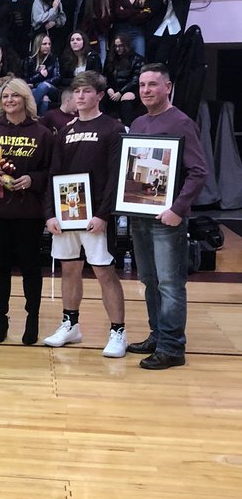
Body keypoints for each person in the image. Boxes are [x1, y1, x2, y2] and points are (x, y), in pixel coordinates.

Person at [128, 64, 208, 369]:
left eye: (152, 85)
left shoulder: (182, 122)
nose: (146, 90)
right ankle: (158, 334)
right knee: (149, 280)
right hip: (140, 216)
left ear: (168, 87)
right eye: (142, 85)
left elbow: (198, 172)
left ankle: (173, 347)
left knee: (170, 284)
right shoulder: (137, 122)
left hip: (167, 219)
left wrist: (177, 209)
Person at [44, 73, 127, 358]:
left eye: (86, 91)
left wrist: (104, 214)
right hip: (67, 213)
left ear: (100, 95)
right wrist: (51, 213)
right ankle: (70, 324)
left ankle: (118, 331)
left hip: (96, 215)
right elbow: (54, 174)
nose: (79, 96)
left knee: (104, 271)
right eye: (76, 91)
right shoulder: (65, 132)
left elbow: (116, 177)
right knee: (69, 269)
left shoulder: (113, 129)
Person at [0, 77, 54, 345]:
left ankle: (32, 318)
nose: (9, 100)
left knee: (30, 268)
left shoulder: (42, 133)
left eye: (14, 96)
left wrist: (33, 179)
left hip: (28, 213)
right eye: (4, 97)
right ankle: (1, 320)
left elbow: (51, 171)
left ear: (26, 99)